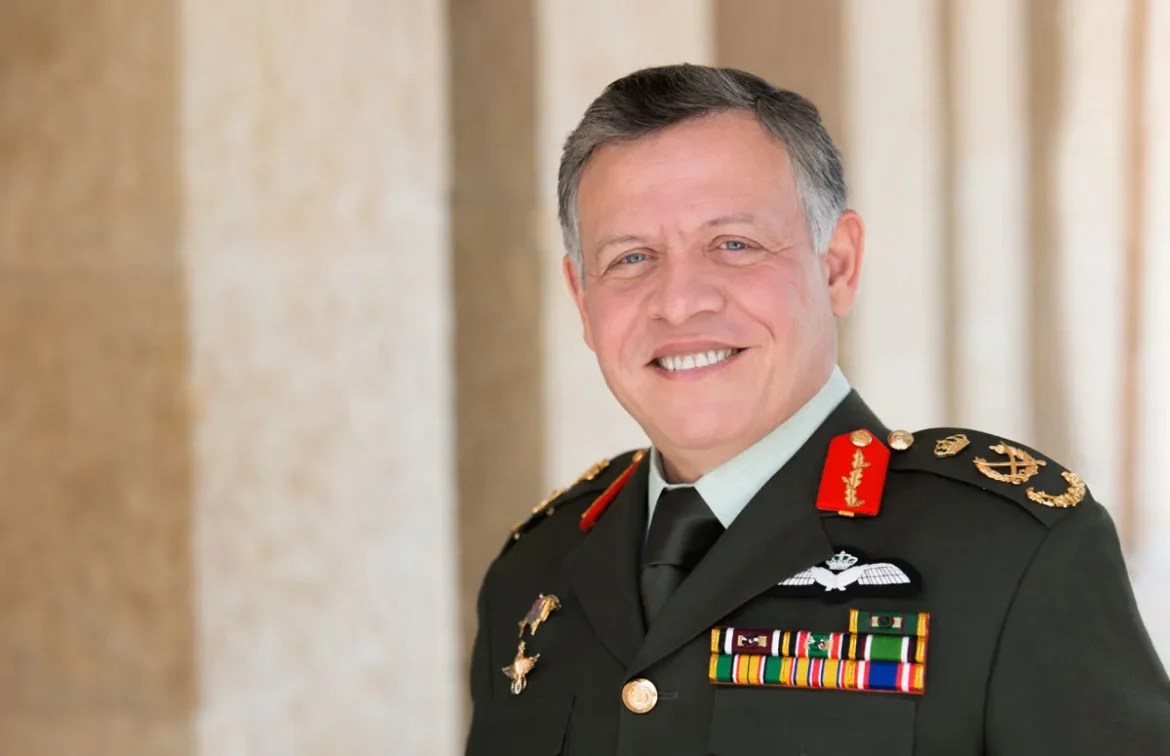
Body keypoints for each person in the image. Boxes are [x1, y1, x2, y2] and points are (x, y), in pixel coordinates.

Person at [463, 64, 1170, 755]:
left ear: (837, 266)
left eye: (733, 245)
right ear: (582, 300)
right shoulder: (534, 574)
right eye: (631, 258)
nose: (679, 302)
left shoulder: (1008, 553)